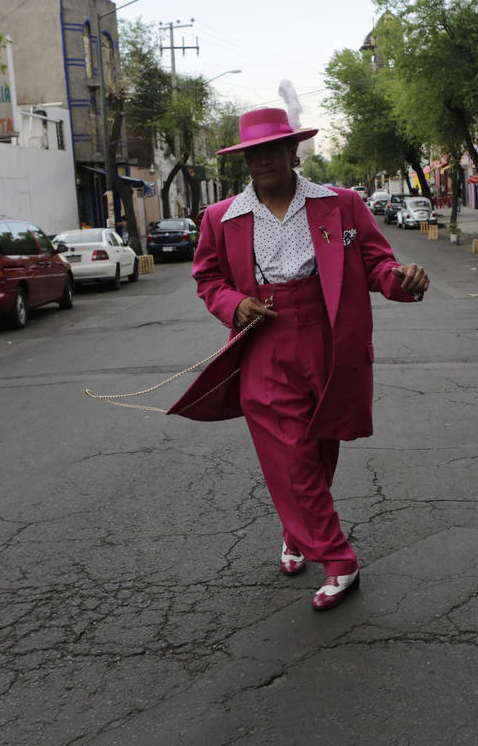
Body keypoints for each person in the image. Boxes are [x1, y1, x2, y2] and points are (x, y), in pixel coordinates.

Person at [168, 107, 429, 610]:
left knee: (320, 445)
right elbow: (207, 278)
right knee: (289, 453)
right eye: (252, 152)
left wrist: (401, 278)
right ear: (244, 159)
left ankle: (297, 529)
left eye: (272, 149)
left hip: (331, 339)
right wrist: (233, 303)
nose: (262, 159)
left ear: (293, 151)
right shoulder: (222, 217)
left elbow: (377, 262)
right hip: (263, 342)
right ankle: (338, 559)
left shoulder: (342, 203)